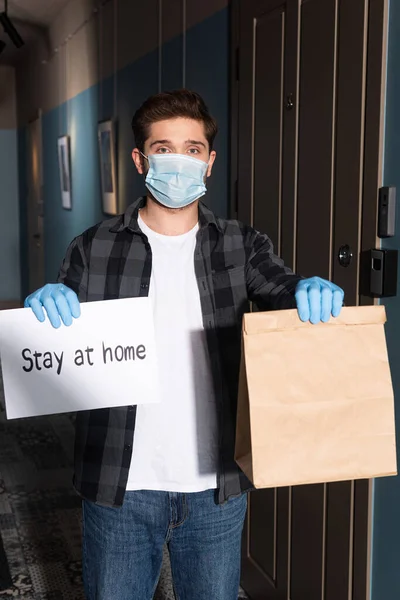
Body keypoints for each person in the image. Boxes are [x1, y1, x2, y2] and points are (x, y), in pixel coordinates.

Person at [25, 89, 344, 600]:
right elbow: (61, 349)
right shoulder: (94, 246)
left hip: (215, 486)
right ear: (140, 159)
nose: (179, 162)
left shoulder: (242, 244)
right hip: (119, 486)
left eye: (192, 149)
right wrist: (47, 307)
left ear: (210, 162)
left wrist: (305, 288)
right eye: (164, 148)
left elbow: (281, 289)